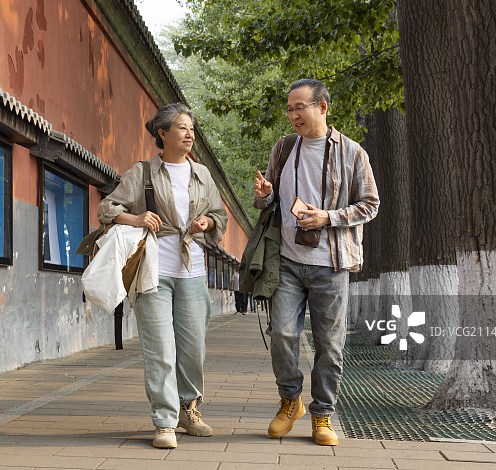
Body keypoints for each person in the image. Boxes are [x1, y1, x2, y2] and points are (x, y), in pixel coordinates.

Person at [253, 79, 379, 446]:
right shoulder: (284, 147)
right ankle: (290, 400)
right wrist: (265, 195)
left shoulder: (353, 152)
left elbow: (370, 204)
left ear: (322, 107)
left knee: (329, 343)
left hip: (331, 261)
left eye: (300, 107)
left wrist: (328, 217)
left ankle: (323, 415)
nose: (293, 115)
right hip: (287, 260)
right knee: (282, 334)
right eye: (289, 109)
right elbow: (270, 200)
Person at [97, 103, 228, 449]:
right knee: (160, 350)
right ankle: (165, 421)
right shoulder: (142, 173)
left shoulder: (202, 174)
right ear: (163, 134)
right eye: (182, 128)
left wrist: (207, 223)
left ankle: (189, 409)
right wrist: (137, 219)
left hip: (193, 271)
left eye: (192, 128)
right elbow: (107, 209)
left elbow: (220, 216)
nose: (189, 134)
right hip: (153, 273)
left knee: (193, 349)